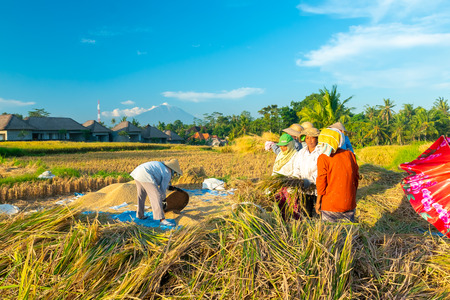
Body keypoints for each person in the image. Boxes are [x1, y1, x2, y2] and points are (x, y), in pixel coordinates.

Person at [315, 128, 359, 222]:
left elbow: (321, 182)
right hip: (349, 203)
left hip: (330, 205)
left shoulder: (323, 158)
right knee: (348, 233)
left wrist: (318, 202)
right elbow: (356, 178)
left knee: (330, 233)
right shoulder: (350, 155)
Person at [130, 159, 183, 226]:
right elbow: (162, 191)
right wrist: (164, 203)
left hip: (138, 172)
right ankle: (162, 219)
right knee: (156, 196)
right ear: (174, 170)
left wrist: (171, 188)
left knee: (141, 195)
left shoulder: (162, 167)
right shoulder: (168, 172)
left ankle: (140, 215)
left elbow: (163, 184)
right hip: (146, 174)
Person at [293, 127, 321, 217]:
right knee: (306, 213)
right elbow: (297, 168)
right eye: (307, 138)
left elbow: (322, 171)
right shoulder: (301, 153)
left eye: (312, 137)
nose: (309, 140)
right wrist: (297, 180)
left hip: (318, 189)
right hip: (304, 188)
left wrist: (314, 182)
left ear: (317, 139)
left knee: (320, 212)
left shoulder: (321, 152)